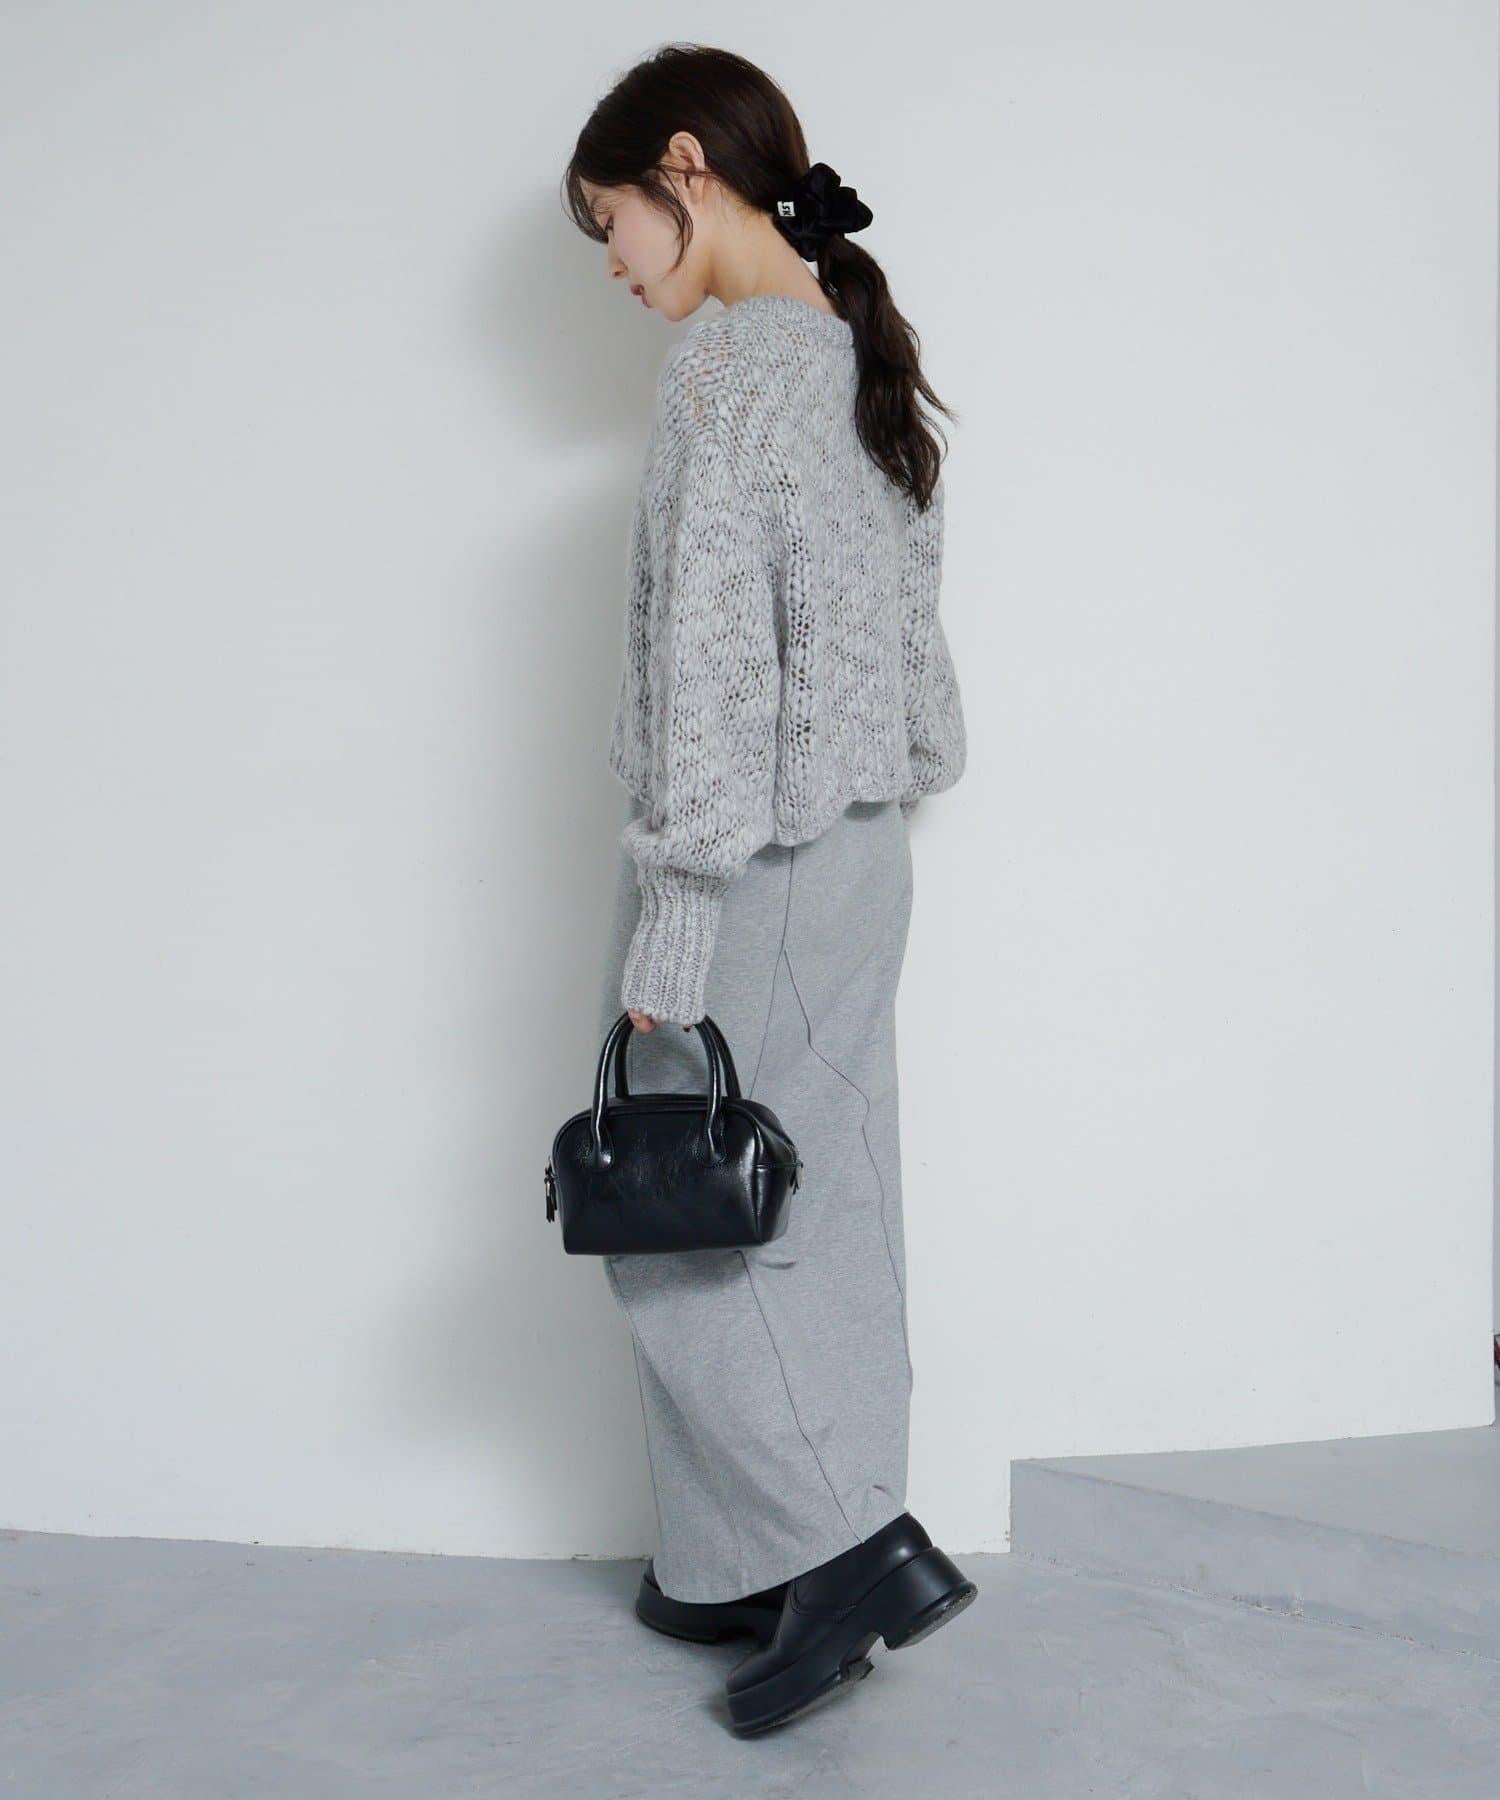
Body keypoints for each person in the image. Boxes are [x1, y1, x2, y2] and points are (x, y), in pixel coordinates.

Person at [562, 43, 975, 1735]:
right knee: (824, 1208)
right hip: (854, 859)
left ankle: (848, 1554)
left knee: (680, 1209)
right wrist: (888, 771)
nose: (610, 263)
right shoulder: (856, 348)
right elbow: (914, 644)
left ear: (685, 166)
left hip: (746, 868)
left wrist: (677, 914)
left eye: (608, 219)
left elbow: (719, 676)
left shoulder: (729, 373)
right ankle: (742, 1555)